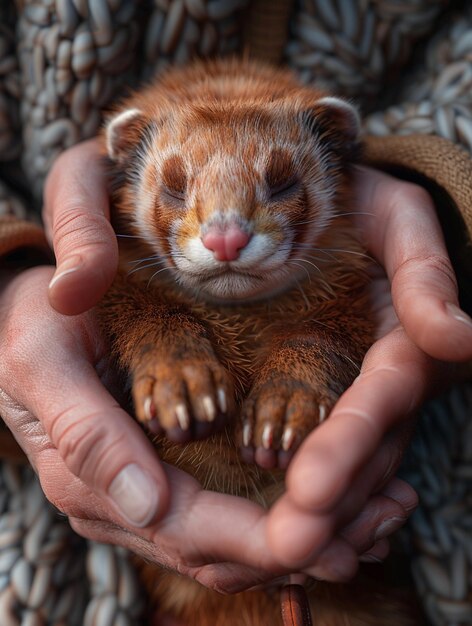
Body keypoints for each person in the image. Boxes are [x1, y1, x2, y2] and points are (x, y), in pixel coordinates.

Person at [0, 0, 471, 622]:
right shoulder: (134, 279)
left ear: (336, 172)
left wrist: (441, 201)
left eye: (280, 185)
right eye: (174, 191)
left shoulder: (340, 261)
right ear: (124, 168)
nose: (224, 234)